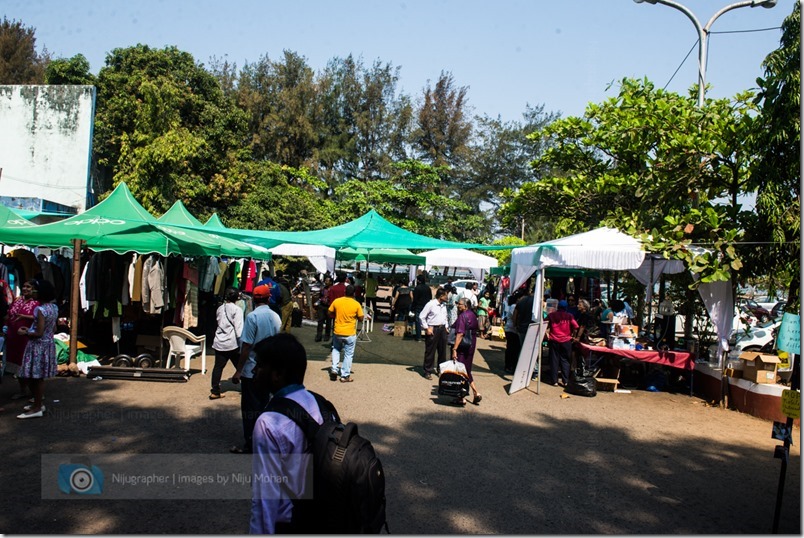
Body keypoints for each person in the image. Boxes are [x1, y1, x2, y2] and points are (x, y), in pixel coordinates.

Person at [250, 333, 334, 534]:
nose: (254, 371)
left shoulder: (268, 422)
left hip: (291, 521)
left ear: (277, 373)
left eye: (260, 365)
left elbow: (265, 495)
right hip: (323, 515)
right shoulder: (321, 404)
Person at [230, 284, 281, 454]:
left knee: (250, 408)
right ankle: (266, 442)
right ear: (268, 298)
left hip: (252, 370)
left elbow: (246, 347)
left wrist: (238, 370)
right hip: (269, 370)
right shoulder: (275, 317)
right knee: (265, 405)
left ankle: (251, 443)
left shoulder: (252, 317)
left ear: (253, 299)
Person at [15, 279, 58, 419]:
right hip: (48, 344)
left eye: (34, 289)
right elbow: (53, 328)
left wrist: (26, 332)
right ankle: (37, 404)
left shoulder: (39, 309)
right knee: (36, 376)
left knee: (36, 377)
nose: (31, 291)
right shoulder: (53, 308)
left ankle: (37, 406)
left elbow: (38, 333)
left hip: (38, 346)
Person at [5, 279, 41, 399]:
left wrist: (24, 316)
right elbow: (10, 313)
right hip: (13, 337)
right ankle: (23, 390)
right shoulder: (18, 300)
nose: (25, 289)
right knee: (16, 365)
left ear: (34, 289)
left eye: (28, 287)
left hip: (27, 339)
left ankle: (36, 393)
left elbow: (40, 318)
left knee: (28, 365)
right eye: (24, 286)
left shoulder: (37, 303)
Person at [209, 287, 244, 400]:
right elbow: (239, 329)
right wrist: (243, 343)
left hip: (219, 341)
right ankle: (248, 387)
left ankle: (215, 391)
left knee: (218, 367)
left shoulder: (220, 308)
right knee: (241, 366)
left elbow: (218, 322)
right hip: (232, 343)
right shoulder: (237, 310)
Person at [328, 284, 363, 382]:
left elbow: (329, 312)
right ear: (354, 293)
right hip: (350, 333)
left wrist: (336, 315)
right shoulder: (356, 304)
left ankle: (334, 369)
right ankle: (345, 375)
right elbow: (361, 318)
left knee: (336, 349)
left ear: (344, 292)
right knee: (348, 354)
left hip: (338, 331)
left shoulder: (337, 301)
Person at [450, 297, 481, 406]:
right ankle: (475, 392)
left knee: (460, 371)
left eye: (460, 304)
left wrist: (454, 349)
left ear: (465, 306)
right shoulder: (473, 315)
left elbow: (460, 334)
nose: (458, 306)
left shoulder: (463, 316)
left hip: (462, 346)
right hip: (471, 345)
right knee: (466, 369)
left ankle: (461, 397)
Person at [546, 299, 579, 387]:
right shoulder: (569, 316)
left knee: (554, 360)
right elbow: (576, 326)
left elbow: (545, 324)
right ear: (566, 307)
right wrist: (573, 335)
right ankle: (565, 381)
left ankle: (554, 381)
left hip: (554, 340)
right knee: (565, 361)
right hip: (566, 341)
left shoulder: (551, 315)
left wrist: (547, 333)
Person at [419, 288, 449, 380]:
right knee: (430, 351)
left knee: (442, 351)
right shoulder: (430, 304)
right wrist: (426, 328)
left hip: (442, 329)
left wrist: (446, 326)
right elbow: (421, 316)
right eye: (446, 295)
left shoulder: (444, 305)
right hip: (433, 329)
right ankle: (428, 371)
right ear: (441, 296)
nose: (447, 297)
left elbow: (445, 317)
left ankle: (441, 370)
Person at [503, 292, 522, 374]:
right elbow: (515, 317)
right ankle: (509, 366)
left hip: (511, 329)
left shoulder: (512, 306)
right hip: (511, 330)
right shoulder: (514, 307)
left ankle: (510, 365)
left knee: (512, 348)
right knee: (512, 348)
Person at [411, 274, 432, 342]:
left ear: (419, 281)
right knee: (427, 320)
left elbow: (415, 299)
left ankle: (419, 336)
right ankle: (427, 335)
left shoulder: (417, 288)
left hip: (419, 306)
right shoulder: (428, 288)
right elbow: (430, 297)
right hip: (427, 306)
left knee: (418, 321)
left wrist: (412, 308)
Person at [314, 275, 333, 342]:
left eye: (327, 281)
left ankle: (327, 335)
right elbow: (320, 296)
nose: (326, 282)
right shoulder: (323, 288)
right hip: (322, 306)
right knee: (320, 321)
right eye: (325, 281)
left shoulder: (332, 289)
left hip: (329, 307)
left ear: (330, 282)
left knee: (328, 322)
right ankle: (319, 335)